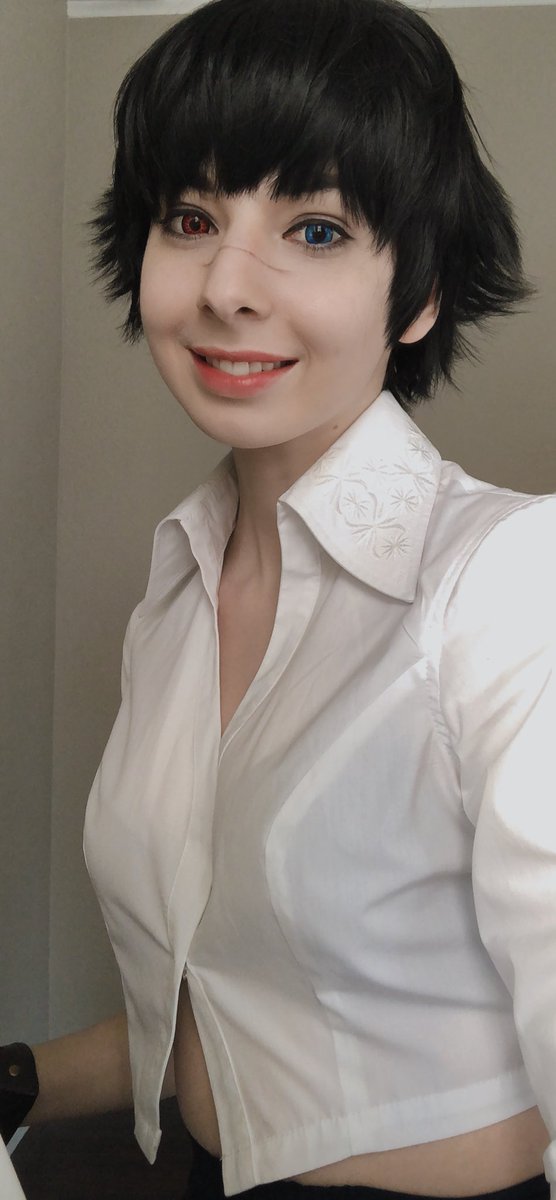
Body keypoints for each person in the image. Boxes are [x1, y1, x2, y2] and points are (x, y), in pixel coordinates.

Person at [2, 0, 555, 1196]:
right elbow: (236, 1011)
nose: (226, 287)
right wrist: (19, 1079)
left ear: (418, 293)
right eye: (191, 219)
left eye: (313, 229)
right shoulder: (174, 597)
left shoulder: (508, 580)